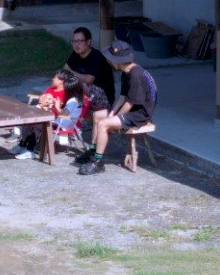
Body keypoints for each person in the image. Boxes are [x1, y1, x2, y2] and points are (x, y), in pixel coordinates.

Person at [87, 43, 156, 173]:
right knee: (98, 115)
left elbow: (131, 103)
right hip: (132, 109)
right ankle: (92, 151)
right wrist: (112, 112)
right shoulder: (127, 72)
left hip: (140, 114)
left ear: (118, 61)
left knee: (103, 124)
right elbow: (123, 96)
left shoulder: (136, 75)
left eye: (111, 59)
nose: (109, 61)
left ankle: (97, 161)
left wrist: (114, 118)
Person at [64, 27, 115, 105]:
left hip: (103, 96)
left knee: (75, 84)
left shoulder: (96, 57)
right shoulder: (76, 54)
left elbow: (88, 80)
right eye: (74, 41)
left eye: (80, 41)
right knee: (63, 81)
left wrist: (71, 73)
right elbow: (64, 70)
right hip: (88, 93)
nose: (76, 44)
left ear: (88, 42)